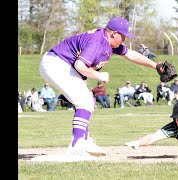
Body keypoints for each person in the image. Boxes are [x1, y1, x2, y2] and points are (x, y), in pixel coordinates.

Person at [39, 16, 159, 158]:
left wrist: (156, 65)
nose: (125, 40)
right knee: (84, 101)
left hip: (61, 63)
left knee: (85, 101)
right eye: (123, 36)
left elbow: (131, 54)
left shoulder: (106, 39)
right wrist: (99, 76)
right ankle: (75, 148)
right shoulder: (98, 42)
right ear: (114, 33)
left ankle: (84, 141)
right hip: (57, 64)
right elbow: (80, 65)